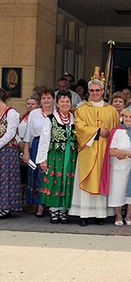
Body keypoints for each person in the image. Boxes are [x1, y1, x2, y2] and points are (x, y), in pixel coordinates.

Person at [69, 69, 120, 226]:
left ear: (103, 91)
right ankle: (83, 215)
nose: (95, 93)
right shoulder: (82, 109)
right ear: (88, 92)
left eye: (98, 90)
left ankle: (100, 215)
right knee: (87, 179)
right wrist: (98, 132)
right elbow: (79, 128)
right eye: (92, 90)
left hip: (105, 152)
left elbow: (117, 131)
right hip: (88, 151)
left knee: (102, 181)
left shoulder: (111, 110)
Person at [36, 91, 77, 224]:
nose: (65, 104)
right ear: (57, 103)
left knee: (67, 180)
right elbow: (44, 139)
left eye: (67, 101)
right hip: (56, 155)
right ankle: (54, 210)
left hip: (70, 155)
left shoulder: (74, 118)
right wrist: (42, 159)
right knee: (55, 180)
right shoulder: (50, 119)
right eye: (62, 101)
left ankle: (64, 210)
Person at [22, 87, 55, 217]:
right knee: (38, 177)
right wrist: (26, 151)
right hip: (36, 144)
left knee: (51, 175)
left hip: (52, 146)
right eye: (43, 98)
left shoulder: (57, 113)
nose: (46, 100)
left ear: (53, 99)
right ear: (40, 101)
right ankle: (40, 205)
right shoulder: (34, 113)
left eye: (49, 98)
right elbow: (28, 134)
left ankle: (53, 204)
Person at [0, 88, 22, 219]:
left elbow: (10, 133)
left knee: (6, 178)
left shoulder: (11, 112)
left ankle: (6, 207)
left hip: (7, 150)